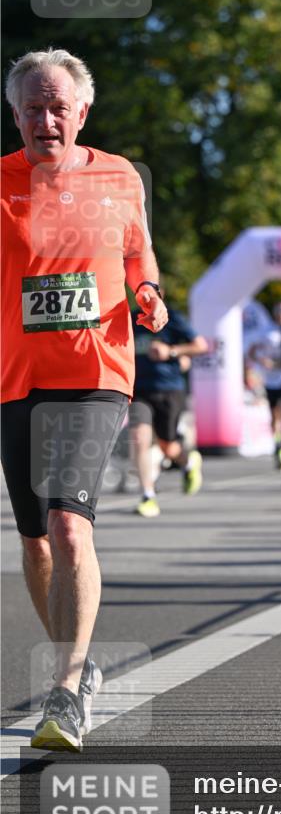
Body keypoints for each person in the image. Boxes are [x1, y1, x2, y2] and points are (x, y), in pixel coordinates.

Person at [1, 49, 167, 751]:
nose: (46, 120)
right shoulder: (0, 182)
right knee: (35, 541)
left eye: (57, 107)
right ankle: (81, 661)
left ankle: (65, 692)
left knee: (71, 527)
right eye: (32, 108)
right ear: (14, 114)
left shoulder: (119, 176)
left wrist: (149, 293)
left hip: (96, 370)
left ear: (82, 112)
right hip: (18, 378)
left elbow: (137, 256)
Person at [129, 304, 207, 517]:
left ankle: (188, 461)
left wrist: (171, 351)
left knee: (168, 446)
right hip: (139, 390)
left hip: (169, 389)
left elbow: (200, 346)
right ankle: (147, 495)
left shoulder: (172, 317)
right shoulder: (130, 317)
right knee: (139, 437)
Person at [248, 300, 281, 471]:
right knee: (274, 415)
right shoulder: (267, 331)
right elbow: (252, 352)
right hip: (270, 379)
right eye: (280, 312)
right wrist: (262, 361)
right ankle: (277, 441)